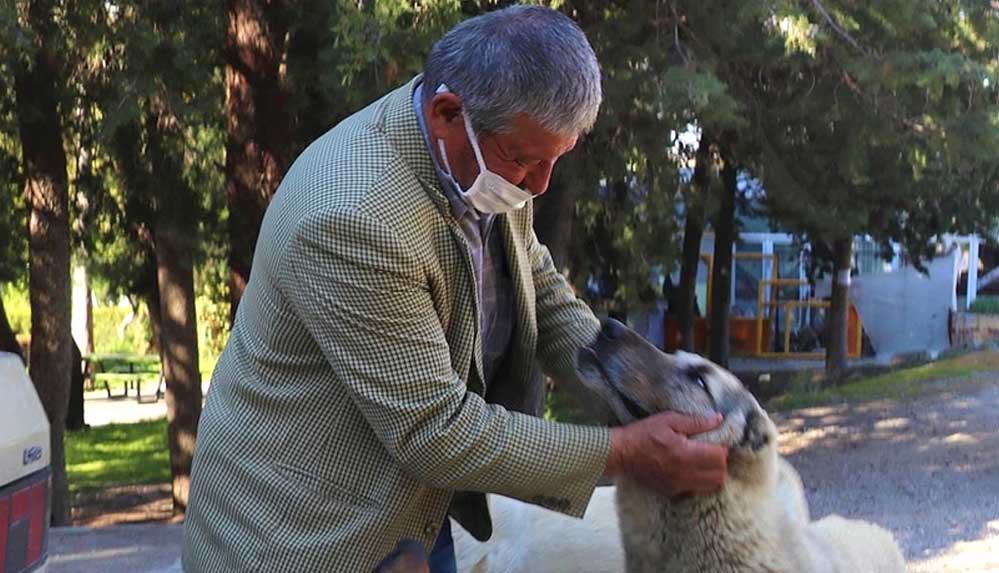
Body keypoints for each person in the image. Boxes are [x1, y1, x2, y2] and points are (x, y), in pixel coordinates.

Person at [182, 6, 728, 572]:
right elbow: (434, 429)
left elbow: (538, 289)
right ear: (447, 112)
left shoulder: (485, 150)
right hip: (304, 535)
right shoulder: (350, 217)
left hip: (414, 507)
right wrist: (627, 455)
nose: (539, 184)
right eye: (524, 161)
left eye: (554, 161)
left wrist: (631, 383)